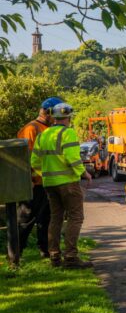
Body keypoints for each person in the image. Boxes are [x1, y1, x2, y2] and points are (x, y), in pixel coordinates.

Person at [30, 102, 93, 268]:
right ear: (68, 117)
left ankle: (54, 256)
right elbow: (72, 158)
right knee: (75, 217)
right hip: (68, 184)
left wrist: (46, 175)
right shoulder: (69, 133)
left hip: (49, 184)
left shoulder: (43, 135)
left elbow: (34, 161)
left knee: (55, 218)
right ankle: (71, 257)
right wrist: (84, 173)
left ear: (54, 117)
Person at [17, 96, 63, 258]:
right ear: (48, 112)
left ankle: (45, 251)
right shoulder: (32, 129)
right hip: (33, 184)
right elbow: (24, 158)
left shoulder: (46, 129)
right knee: (26, 219)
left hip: (45, 183)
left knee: (46, 219)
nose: (58, 117)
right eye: (56, 113)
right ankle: (15, 253)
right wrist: (28, 179)